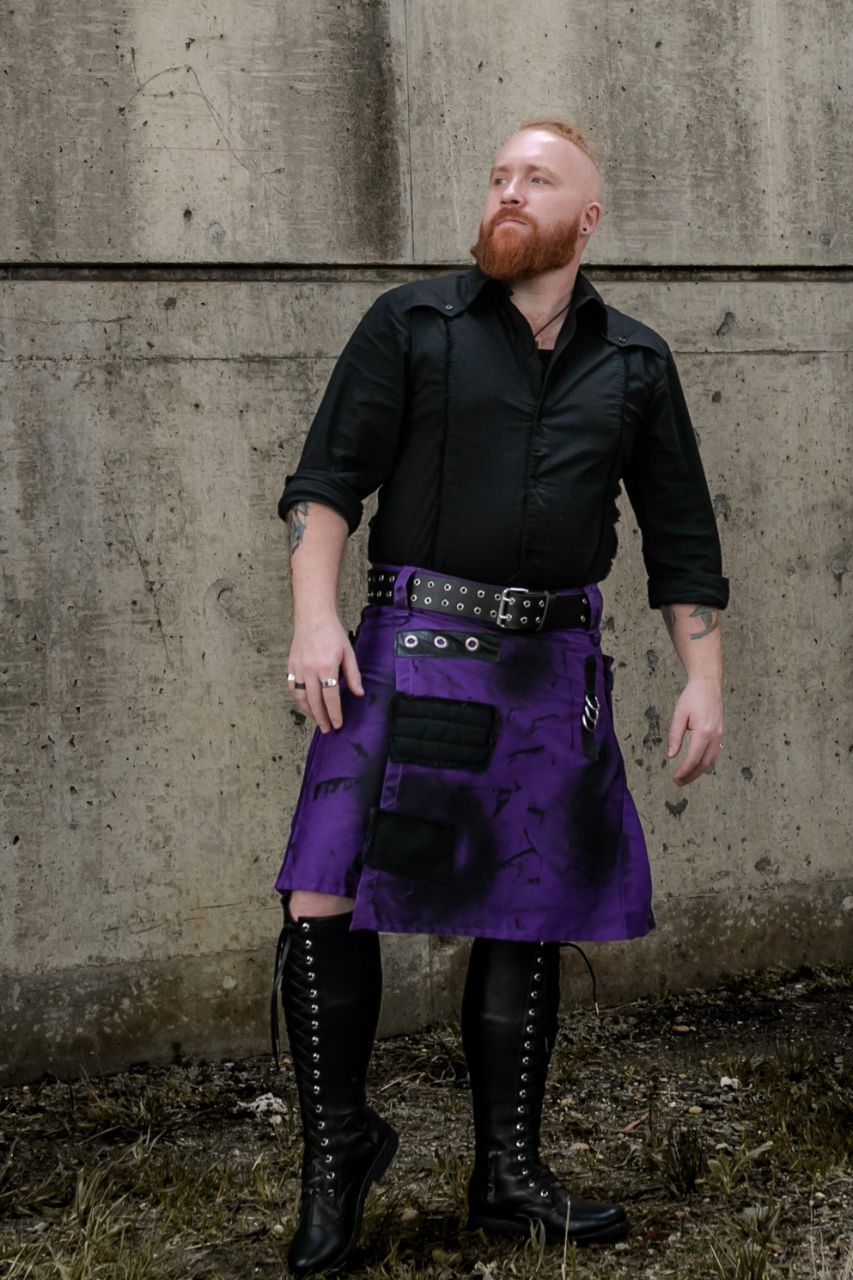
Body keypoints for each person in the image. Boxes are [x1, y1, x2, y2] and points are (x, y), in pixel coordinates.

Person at [270, 118, 728, 1277]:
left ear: (587, 217)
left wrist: (701, 679)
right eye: (498, 176)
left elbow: (680, 536)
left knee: (525, 907)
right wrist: (315, 618)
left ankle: (507, 1173)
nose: (509, 191)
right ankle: (337, 1156)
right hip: (403, 647)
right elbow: (328, 480)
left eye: (538, 178)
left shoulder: (634, 363)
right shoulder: (412, 324)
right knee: (324, 886)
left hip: (545, 666)